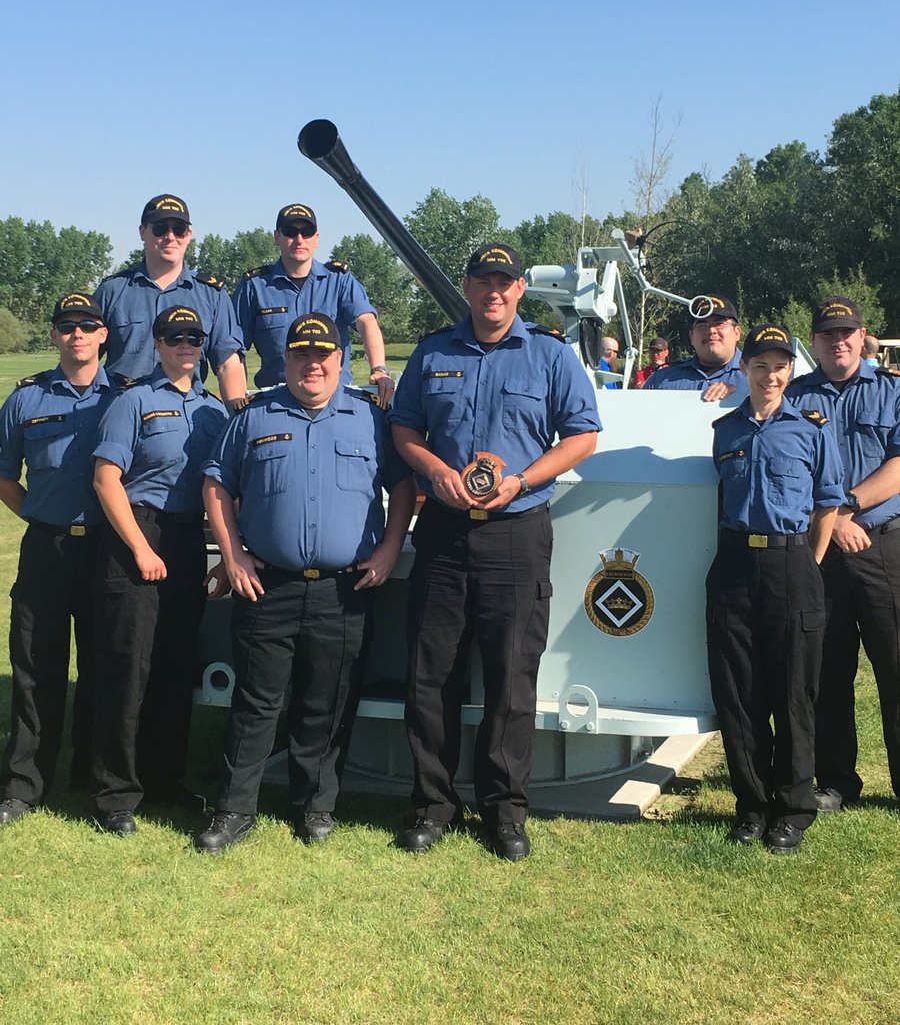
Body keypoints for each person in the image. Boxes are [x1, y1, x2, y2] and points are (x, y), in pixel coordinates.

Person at [389, 243, 601, 861]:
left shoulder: (550, 355)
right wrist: (435, 470)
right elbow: (404, 427)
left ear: (519, 289)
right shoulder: (433, 352)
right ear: (468, 286)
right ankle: (432, 806)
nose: (495, 291)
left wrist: (523, 481)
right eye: (484, 280)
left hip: (516, 530)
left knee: (511, 675)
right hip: (444, 532)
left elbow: (583, 435)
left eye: (505, 282)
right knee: (432, 674)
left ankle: (505, 811)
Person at [195, 313, 415, 853]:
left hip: (344, 590)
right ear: (286, 359)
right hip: (267, 586)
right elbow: (216, 485)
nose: (312, 365)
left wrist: (389, 549)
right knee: (256, 703)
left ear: (341, 360)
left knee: (327, 703)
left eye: (323, 355)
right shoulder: (253, 416)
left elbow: (404, 486)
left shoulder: (371, 419)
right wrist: (233, 555)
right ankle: (234, 810)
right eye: (301, 354)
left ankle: (315, 806)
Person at [90, 305, 229, 834]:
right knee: (130, 667)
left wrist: (223, 555)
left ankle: (165, 779)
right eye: (175, 337)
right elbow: (106, 479)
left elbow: (220, 488)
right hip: (139, 533)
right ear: (158, 344)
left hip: (189, 538)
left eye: (194, 337)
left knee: (175, 665)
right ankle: (115, 794)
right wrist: (141, 549)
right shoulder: (134, 401)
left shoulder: (214, 410)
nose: (186, 345)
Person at [707, 324, 843, 854]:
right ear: (744, 369)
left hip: (791, 562)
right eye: (760, 366)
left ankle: (792, 809)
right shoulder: (725, 431)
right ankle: (752, 806)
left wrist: (808, 563)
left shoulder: (810, 430)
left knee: (793, 692)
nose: (770, 375)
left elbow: (827, 504)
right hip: (735, 562)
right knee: (738, 692)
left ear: (790, 371)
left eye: (779, 366)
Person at [0, 294, 113, 826]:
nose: (77, 334)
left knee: (104, 665)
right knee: (35, 666)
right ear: (54, 336)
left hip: (108, 549)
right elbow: (4, 476)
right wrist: (40, 514)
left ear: (103, 335)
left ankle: (93, 777)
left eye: (87, 325)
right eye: (66, 326)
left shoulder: (125, 398)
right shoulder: (26, 398)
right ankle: (24, 785)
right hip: (47, 548)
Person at [785, 296, 900, 812]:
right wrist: (830, 526)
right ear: (812, 342)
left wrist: (846, 509)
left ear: (862, 336)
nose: (838, 341)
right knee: (826, 670)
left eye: (846, 332)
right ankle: (835, 780)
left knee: (895, 665)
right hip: (820, 552)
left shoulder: (892, 391)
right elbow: (786, 467)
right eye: (828, 334)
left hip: (882, 544)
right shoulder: (793, 396)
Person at [232, 203, 394, 407]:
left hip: (335, 402)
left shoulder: (339, 280)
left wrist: (378, 369)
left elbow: (366, 322)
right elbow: (233, 348)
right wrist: (238, 399)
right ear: (277, 237)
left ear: (316, 238)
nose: (299, 239)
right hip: (275, 404)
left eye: (307, 232)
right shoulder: (254, 286)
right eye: (291, 231)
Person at [93, 194, 247, 409]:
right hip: (121, 411)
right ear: (142, 232)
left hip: (185, 415)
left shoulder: (212, 295)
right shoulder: (112, 291)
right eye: (160, 228)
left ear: (189, 234)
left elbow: (228, 363)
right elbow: (85, 357)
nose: (170, 236)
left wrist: (239, 416)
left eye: (179, 229)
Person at [644, 295, 748, 401]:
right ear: (691, 337)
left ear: (737, 333)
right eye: (702, 324)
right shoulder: (661, 380)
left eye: (719, 323)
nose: (711, 330)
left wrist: (745, 396)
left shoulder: (755, 378)